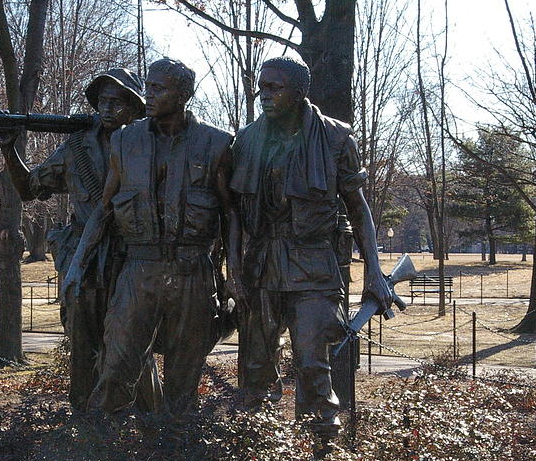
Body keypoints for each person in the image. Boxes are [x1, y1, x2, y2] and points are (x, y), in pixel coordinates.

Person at [68, 58, 241, 417]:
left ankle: (174, 456)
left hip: (193, 271)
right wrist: (76, 266)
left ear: (183, 94)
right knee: (116, 367)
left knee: (184, 376)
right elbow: (103, 210)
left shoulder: (217, 144)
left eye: (158, 88)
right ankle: (100, 454)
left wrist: (233, 275)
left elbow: (230, 216)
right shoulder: (124, 141)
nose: (148, 94)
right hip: (139, 270)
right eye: (148, 86)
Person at [229, 56, 392, 429]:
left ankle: (318, 445)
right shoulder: (248, 139)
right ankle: (258, 444)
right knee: (255, 363)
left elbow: (358, 207)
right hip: (261, 262)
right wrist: (233, 270)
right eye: (261, 87)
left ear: (299, 92)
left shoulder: (336, 138)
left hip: (314, 263)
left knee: (312, 361)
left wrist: (375, 272)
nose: (264, 95)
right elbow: (234, 212)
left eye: (274, 87)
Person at [0, 68, 162, 413]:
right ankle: (85, 419)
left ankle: (150, 417)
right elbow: (29, 188)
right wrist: (9, 148)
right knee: (83, 341)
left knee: (133, 343)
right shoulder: (77, 147)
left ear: (135, 107)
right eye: (102, 100)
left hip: (135, 257)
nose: (107, 108)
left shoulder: (151, 145)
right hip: (86, 262)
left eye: (117, 101)